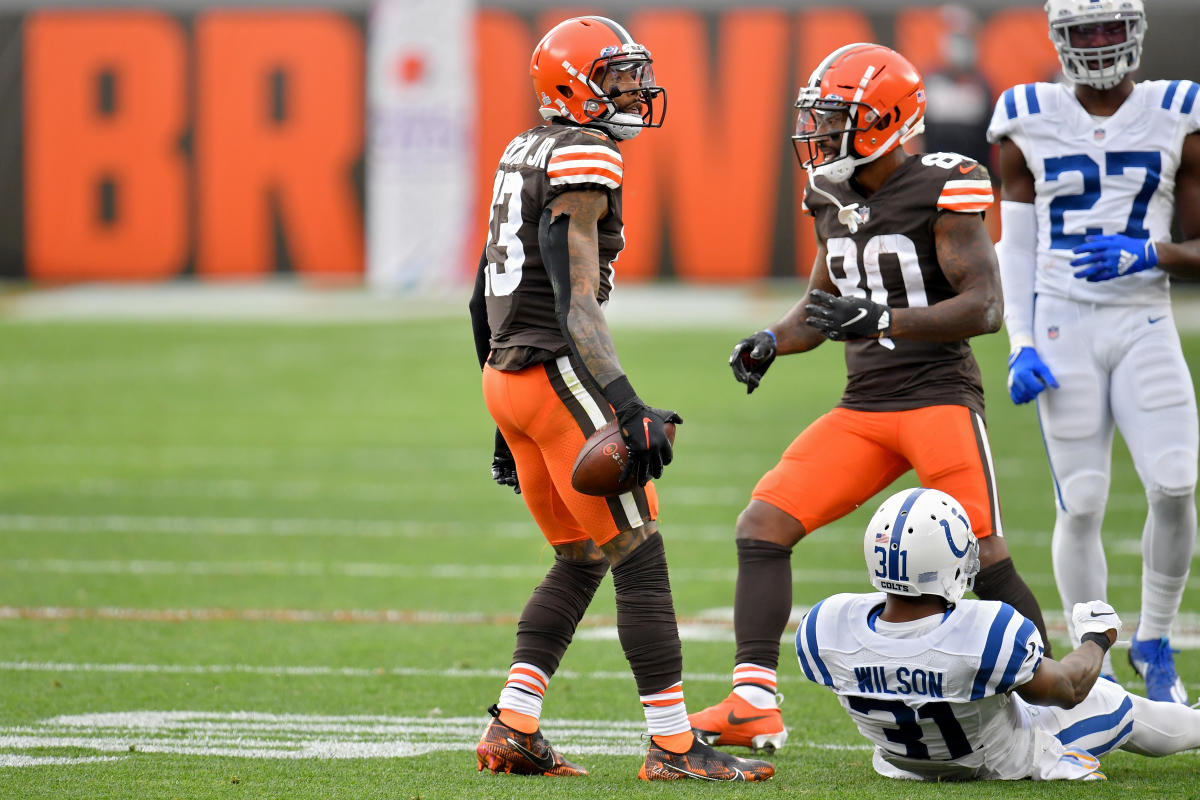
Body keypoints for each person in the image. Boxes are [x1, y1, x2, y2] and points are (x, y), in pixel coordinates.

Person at [688, 42, 1051, 754]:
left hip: (939, 398)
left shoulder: (943, 187)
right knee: (762, 526)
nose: (819, 134)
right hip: (865, 408)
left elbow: (984, 307)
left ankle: (1055, 704)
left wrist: (884, 319)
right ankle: (753, 701)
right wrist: (771, 338)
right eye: (818, 118)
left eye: (835, 119)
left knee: (984, 554)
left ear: (884, 120)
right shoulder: (828, 193)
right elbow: (820, 307)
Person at [466, 15, 773, 782]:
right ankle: (673, 746)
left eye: (633, 73)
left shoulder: (524, 147)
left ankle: (514, 725)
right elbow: (576, 302)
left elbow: (480, 294)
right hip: (552, 374)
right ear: (575, 85)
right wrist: (625, 402)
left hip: (505, 377)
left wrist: (503, 421)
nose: (633, 89)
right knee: (640, 554)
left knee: (578, 558)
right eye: (616, 76)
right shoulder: (583, 151)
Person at [987, 0, 1200, 703]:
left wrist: (1151, 250)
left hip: (1144, 318)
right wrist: (1020, 342)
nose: (1102, 44)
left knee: (1174, 482)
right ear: (1060, 39)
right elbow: (1014, 246)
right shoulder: (1027, 115)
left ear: (1136, 31)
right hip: (1064, 324)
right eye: (1087, 32)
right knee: (1081, 502)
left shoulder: (1178, 111)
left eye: (1113, 29)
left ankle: (1155, 638)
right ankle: (1097, 657)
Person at [795, 486, 1200, 781]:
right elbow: (1068, 687)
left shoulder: (826, 626)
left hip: (901, 762)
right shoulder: (983, 631)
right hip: (998, 760)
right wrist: (1097, 637)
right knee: (1111, 701)